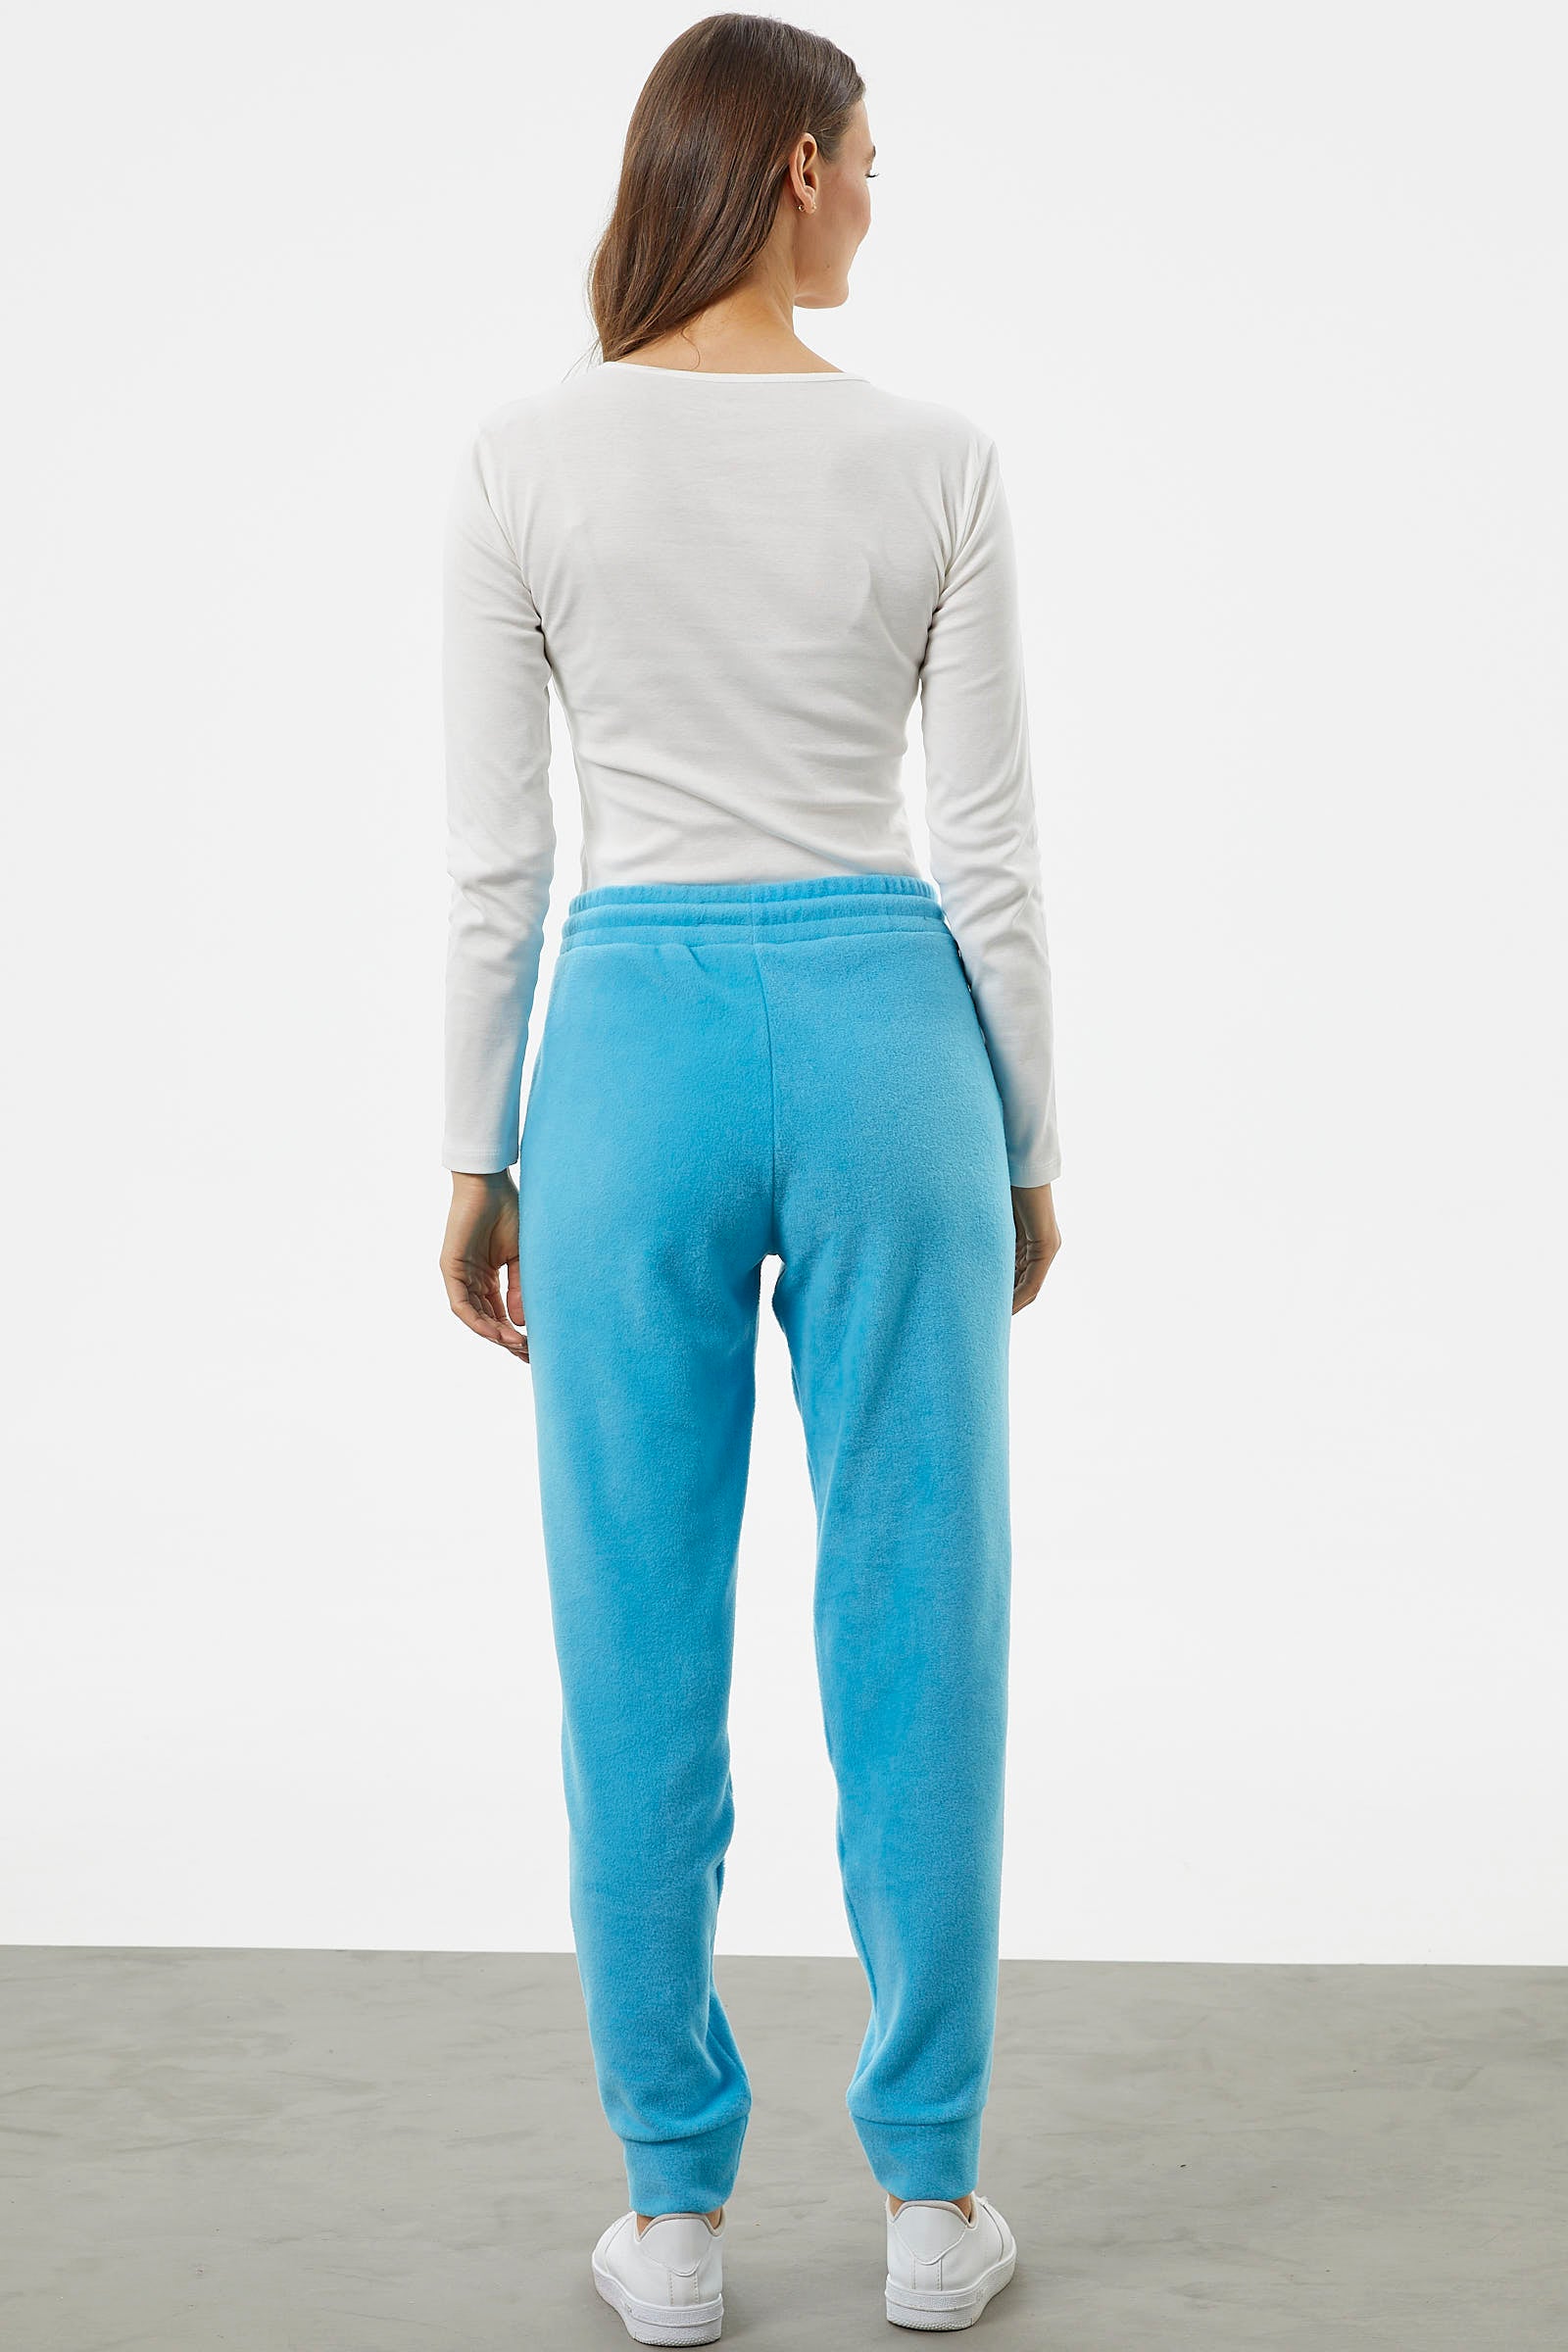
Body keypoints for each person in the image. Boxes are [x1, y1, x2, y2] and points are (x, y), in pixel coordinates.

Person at [436, 13, 1061, 2339]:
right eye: (869, 158)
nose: (879, 198)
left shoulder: (521, 457)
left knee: (632, 1630)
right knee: (920, 1622)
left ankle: (674, 2220)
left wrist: (475, 1147)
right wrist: (1026, 1135)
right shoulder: (935, 460)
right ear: (794, 166)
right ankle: (928, 2208)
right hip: (897, 1035)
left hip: (626, 1053)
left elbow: (496, 864)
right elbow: (986, 850)